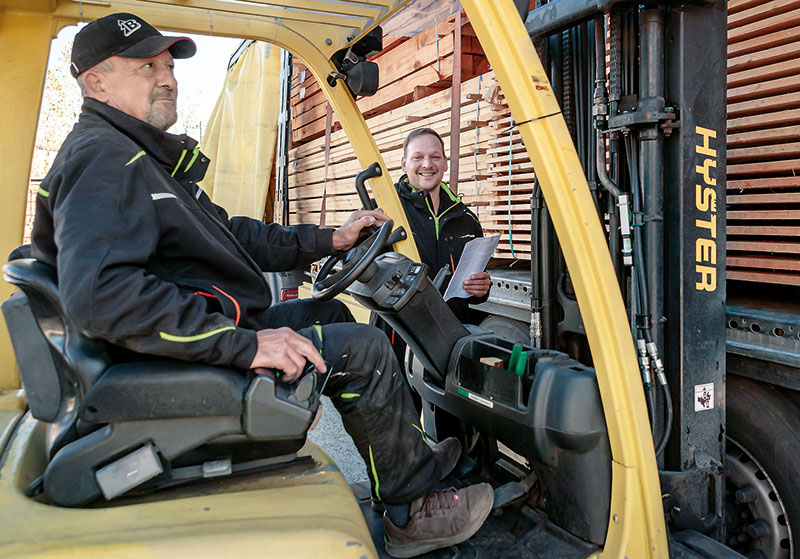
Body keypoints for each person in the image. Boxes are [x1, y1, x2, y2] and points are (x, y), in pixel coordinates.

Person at [29, 13, 492, 557]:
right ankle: (410, 511)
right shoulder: (103, 160)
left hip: (192, 338)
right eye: (144, 66)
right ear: (96, 82)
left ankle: (403, 467)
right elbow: (100, 297)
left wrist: (330, 241)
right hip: (167, 362)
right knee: (365, 348)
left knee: (334, 318)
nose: (167, 78)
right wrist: (246, 345)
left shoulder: (148, 163)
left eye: (166, 64)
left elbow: (234, 234)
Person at [372, 128, 492, 367]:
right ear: (404, 164)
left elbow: (473, 288)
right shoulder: (384, 211)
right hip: (398, 339)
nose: (427, 164)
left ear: (445, 163)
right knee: (401, 405)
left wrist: (482, 287)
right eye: (418, 157)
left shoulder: (466, 219)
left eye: (435, 157)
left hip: (449, 340)